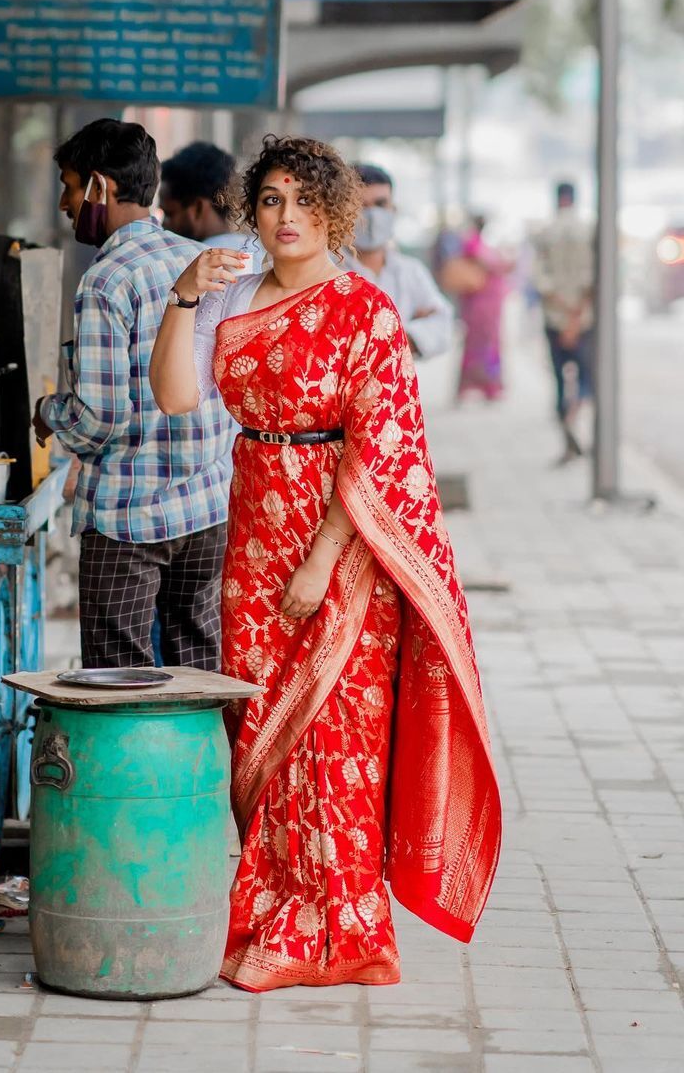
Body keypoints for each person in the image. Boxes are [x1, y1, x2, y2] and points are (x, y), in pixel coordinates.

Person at [150, 135, 500, 990]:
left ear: (335, 212)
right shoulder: (230, 300)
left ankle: (342, 928)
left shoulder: (365, 310)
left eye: (305, 202)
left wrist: (319, 562)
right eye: (270, 200)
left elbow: (377, 451)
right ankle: (269, 911)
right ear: (251, 211)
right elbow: (174, 396)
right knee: (262, 733)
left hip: (340, 550)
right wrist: (180, 299)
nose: (287, 217)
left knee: (340, 737)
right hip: (253, 538)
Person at [32, 118, 230, 671]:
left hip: (128, 521)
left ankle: (135, 765)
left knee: (121, 681)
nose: (66, 203)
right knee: (197, 676)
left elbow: (100, 418)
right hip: (207, 511)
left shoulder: (106, 279)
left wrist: (48, 415)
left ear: (100, 186)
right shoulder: (195, 258)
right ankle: (201, 763)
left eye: (70, 186)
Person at [351, 164, 454, 360]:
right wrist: (409, 333)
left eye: (380, 204)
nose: (372, 216)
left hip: (400, 388)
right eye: (360, 206)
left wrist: (373, 339)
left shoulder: (410, 271)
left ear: (393, 210)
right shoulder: (325, 270)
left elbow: (443, 326)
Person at [532, 181, 594, 461]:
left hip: (554, 316)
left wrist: (563, 310)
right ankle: (573, 416)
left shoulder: (545, 231)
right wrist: (576, 314)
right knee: (585, 378)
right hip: (583, 318)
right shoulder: (589, 229)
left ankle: (565, 429)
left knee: (559, 380)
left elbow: (540, 279)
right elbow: (593, 278)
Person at [160, 140, 265, 269]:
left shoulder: (193, 266)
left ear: (198, 208)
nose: (163, 225)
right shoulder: (258, 250)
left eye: (169, 214)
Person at [456, 214, 512, 401]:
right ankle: (477, 385)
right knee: (478, 342)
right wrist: (502, 263)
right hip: (480, 302)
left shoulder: (479, 242)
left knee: (489, 342)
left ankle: (489, 385)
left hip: (489, 302)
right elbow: (487, 263)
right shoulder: (472, 242)